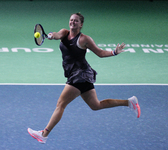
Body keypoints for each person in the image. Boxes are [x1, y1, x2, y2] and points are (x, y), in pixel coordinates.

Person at [28, 13, 141, 144]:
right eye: (71, 20)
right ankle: (129, 102)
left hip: (80, 75)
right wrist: (52, 36)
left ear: (81, 24)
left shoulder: (84, 39)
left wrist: (114, 52)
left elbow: (100, 53)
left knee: (61, 104)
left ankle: (44, 134)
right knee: (96, 105)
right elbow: (57, 35)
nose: (72, 22)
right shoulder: (64, 33)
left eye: (76, 21)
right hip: (78, 75)